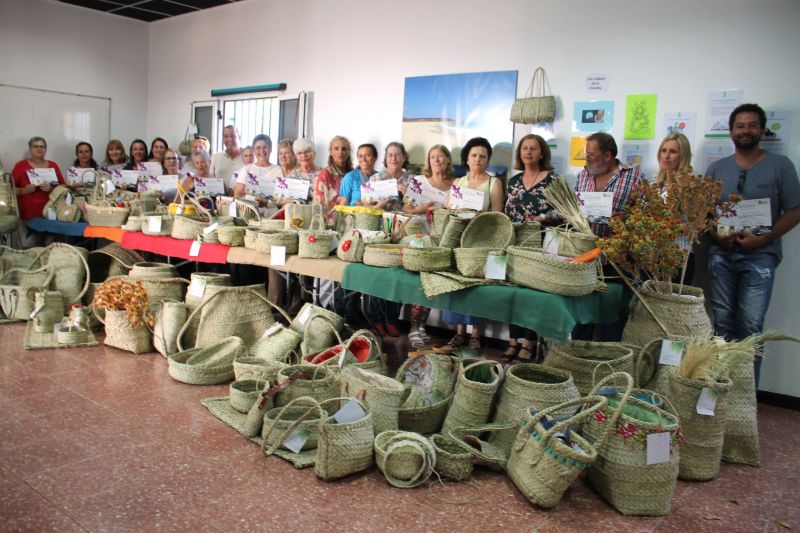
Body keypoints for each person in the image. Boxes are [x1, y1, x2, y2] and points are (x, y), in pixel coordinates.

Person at [706, 103, 800, 387]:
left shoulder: (780, 166)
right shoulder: (716, 169)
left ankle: (746, 397)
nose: (745, 130)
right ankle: (719, 391)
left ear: (762, 130)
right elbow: (705, 214)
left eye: (752, 125)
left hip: (760, 257)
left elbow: (795, 210)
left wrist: (765, 238)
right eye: (740, 126)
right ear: (731, 131)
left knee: (750, 327)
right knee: (721, 327)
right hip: (721, 256)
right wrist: (716, 234)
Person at [573, 131, 645, 342]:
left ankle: (609, 364)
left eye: (591, 155)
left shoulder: (633, 176)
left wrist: (623, 221)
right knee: (582, 316)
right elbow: (576, 207)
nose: (587, 159)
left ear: (608, 156)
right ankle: (577, 359)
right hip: (586, 257)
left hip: (617, 259)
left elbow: (644, 215)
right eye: (586, 154)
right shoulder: (583, 175)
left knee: (612, 319)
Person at [441, 137, 504, 351]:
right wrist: (452, 208)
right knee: (457, 285)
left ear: (488, 161)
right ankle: (458, 334)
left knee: (476, 288)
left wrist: (480, 216)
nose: (478, 159)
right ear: (467, 159)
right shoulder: (458, 184)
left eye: (483, 156)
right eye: (474, 155)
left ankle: (476, 335)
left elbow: (498, 218)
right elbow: (449, 210)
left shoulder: (494, 184)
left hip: (481, 242)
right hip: (459, 241)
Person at [503, 134, 560, 360]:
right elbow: (507, 211)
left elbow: (564, 212)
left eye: (533, 148)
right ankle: (513, 340)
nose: (528, 152)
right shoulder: (514, 181)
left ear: (542, 152)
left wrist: (542, 217)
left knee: (533, 295)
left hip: (542, 243)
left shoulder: (552, 180)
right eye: (524, 148)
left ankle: (529, 341)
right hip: (515, 243)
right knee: (514, 294)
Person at [405, 145, 455, 349]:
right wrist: (421, 208)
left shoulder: (455, 185)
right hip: (420, 237)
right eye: (432, 157)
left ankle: (422, 326)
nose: (436, 160)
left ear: (448, 160)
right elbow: (405, 207)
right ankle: (414, 327)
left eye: (440, 157)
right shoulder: (418, 182)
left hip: (443, 239)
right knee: (419, 282)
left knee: (433, 283)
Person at [655, 132, 696, 283]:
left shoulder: (690, 187)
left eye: (672, 152)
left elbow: (693, 226)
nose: (666, 156)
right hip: (652, 256)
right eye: (663, 151)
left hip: (679, 256)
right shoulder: (654, 185)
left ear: (683, 156)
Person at [11, 136, 65, 246]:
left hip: (52, 214)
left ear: (46, 149)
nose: (39, 149)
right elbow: (10, 189)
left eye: (42, 146)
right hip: (30, 215)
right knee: (35, 244)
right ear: (30, 149)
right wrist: (24, 190)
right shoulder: (20, 166)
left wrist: (51, 189)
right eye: (36, 146)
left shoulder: (53, 165)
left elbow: (63, 187)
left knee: (51, 243)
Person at [233, 134, 282, 206]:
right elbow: (237, 195)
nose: (261, 151)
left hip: (272, 214)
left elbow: (282, 198)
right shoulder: (247, 170)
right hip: (250, 212)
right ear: (253, 150)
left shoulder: (278, 170)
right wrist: (252, 200)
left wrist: (267, 203)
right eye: (258, 148)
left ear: (270, 149)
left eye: (265, 147)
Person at [313, 136, 352, 225]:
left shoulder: (353, 174)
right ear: (331, 152)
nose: (340, 152)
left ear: (349, 152)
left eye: (344, 149)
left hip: (351, 223)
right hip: (330, 225)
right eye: (336, 149)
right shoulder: (325, 174)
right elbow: (318, 206)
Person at [211, 125, 244, 193]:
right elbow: (210, 178)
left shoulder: (248, 157)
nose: (229, 139)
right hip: (219, 199)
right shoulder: (216, 156)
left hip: (241, 200)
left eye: (232, 136)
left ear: (239, 137)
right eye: (226, 136)